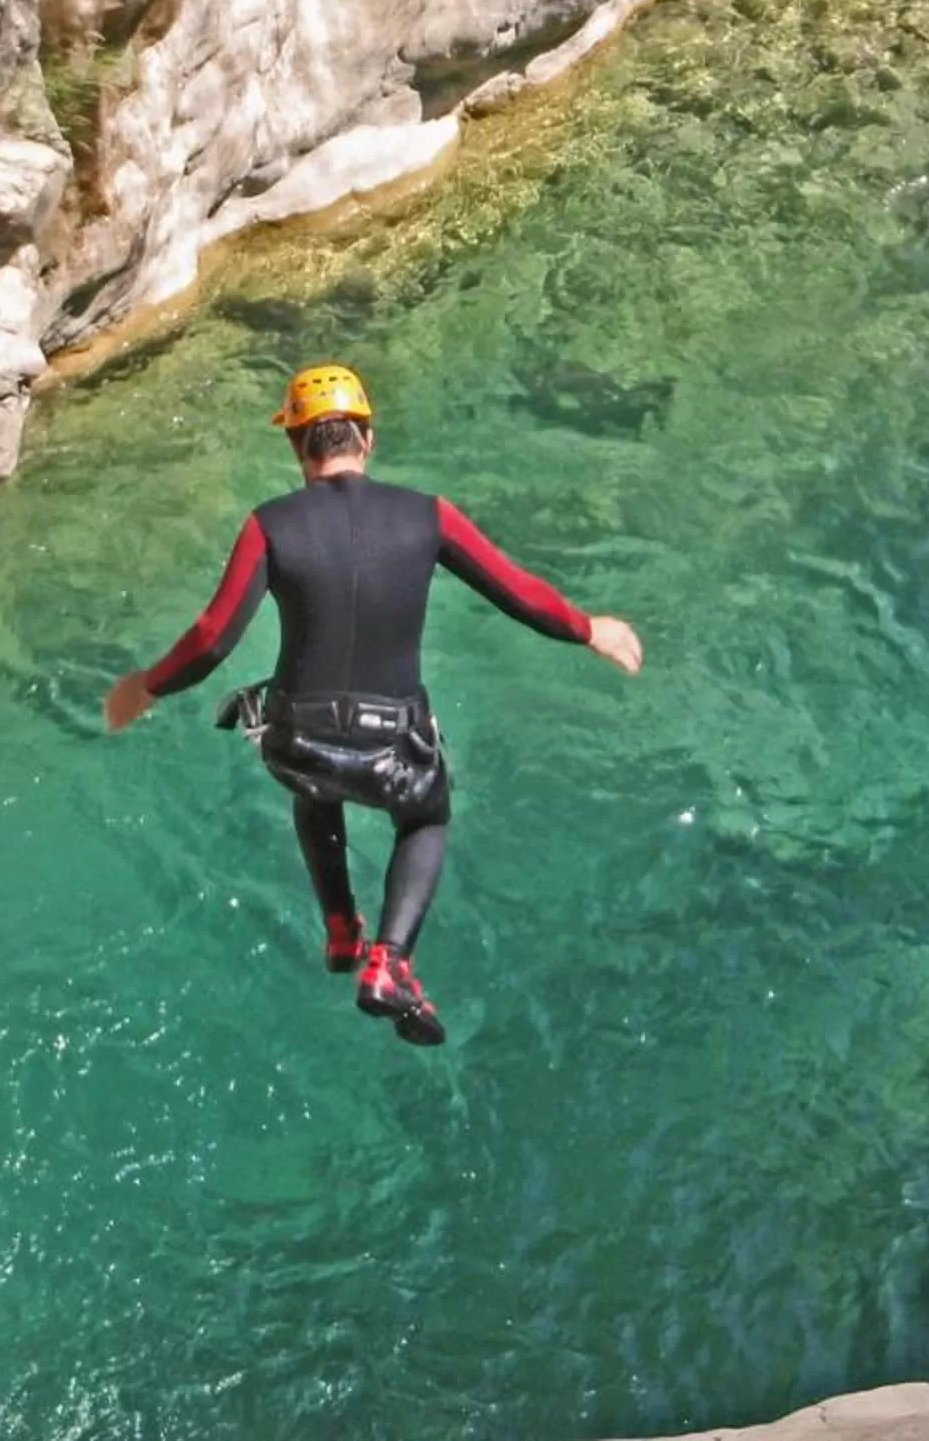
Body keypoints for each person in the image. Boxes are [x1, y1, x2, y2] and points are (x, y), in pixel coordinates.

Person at [103, 365, 645, 1045]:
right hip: (393, 745)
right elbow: (516, 590)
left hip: (297, 735)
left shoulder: (268, 524)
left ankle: (339, 926)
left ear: (299, 447)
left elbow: (213, 637)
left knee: (312, 780)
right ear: (367, 438)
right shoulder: (428, 515)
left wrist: (144, 686)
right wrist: (589, 628)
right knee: (425, 817)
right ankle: (389, 961)